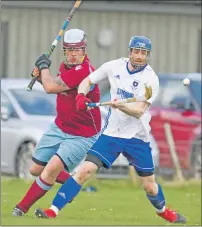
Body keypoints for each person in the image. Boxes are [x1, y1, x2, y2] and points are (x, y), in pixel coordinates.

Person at [34, 36, 186, 224]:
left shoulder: (150, 79)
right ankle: (53, 210)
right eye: (136, 52)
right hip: (112, 134)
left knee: (149, 187)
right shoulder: (114, 66)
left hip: (137, 136)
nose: (139, 56)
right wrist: (81, 95)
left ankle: (164, 212)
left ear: (148, 55)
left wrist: (120, 106)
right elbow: (87, 80)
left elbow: (139, 111)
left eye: (144, 53)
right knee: (84, 171)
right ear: (130, 51)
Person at [12, 29, 101, 216]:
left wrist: (44, 68)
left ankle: (21, 208)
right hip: (60, 126)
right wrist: (39, 78)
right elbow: (55, 86)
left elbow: (51, 87)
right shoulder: (64, 66)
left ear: (84, 50)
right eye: (69, 50)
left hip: (82, 134)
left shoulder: (85, 71)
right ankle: (71, 185)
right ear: (64, 51)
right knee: (35, 168)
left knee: (51, 168)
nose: (73, 54)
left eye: (77, 50)